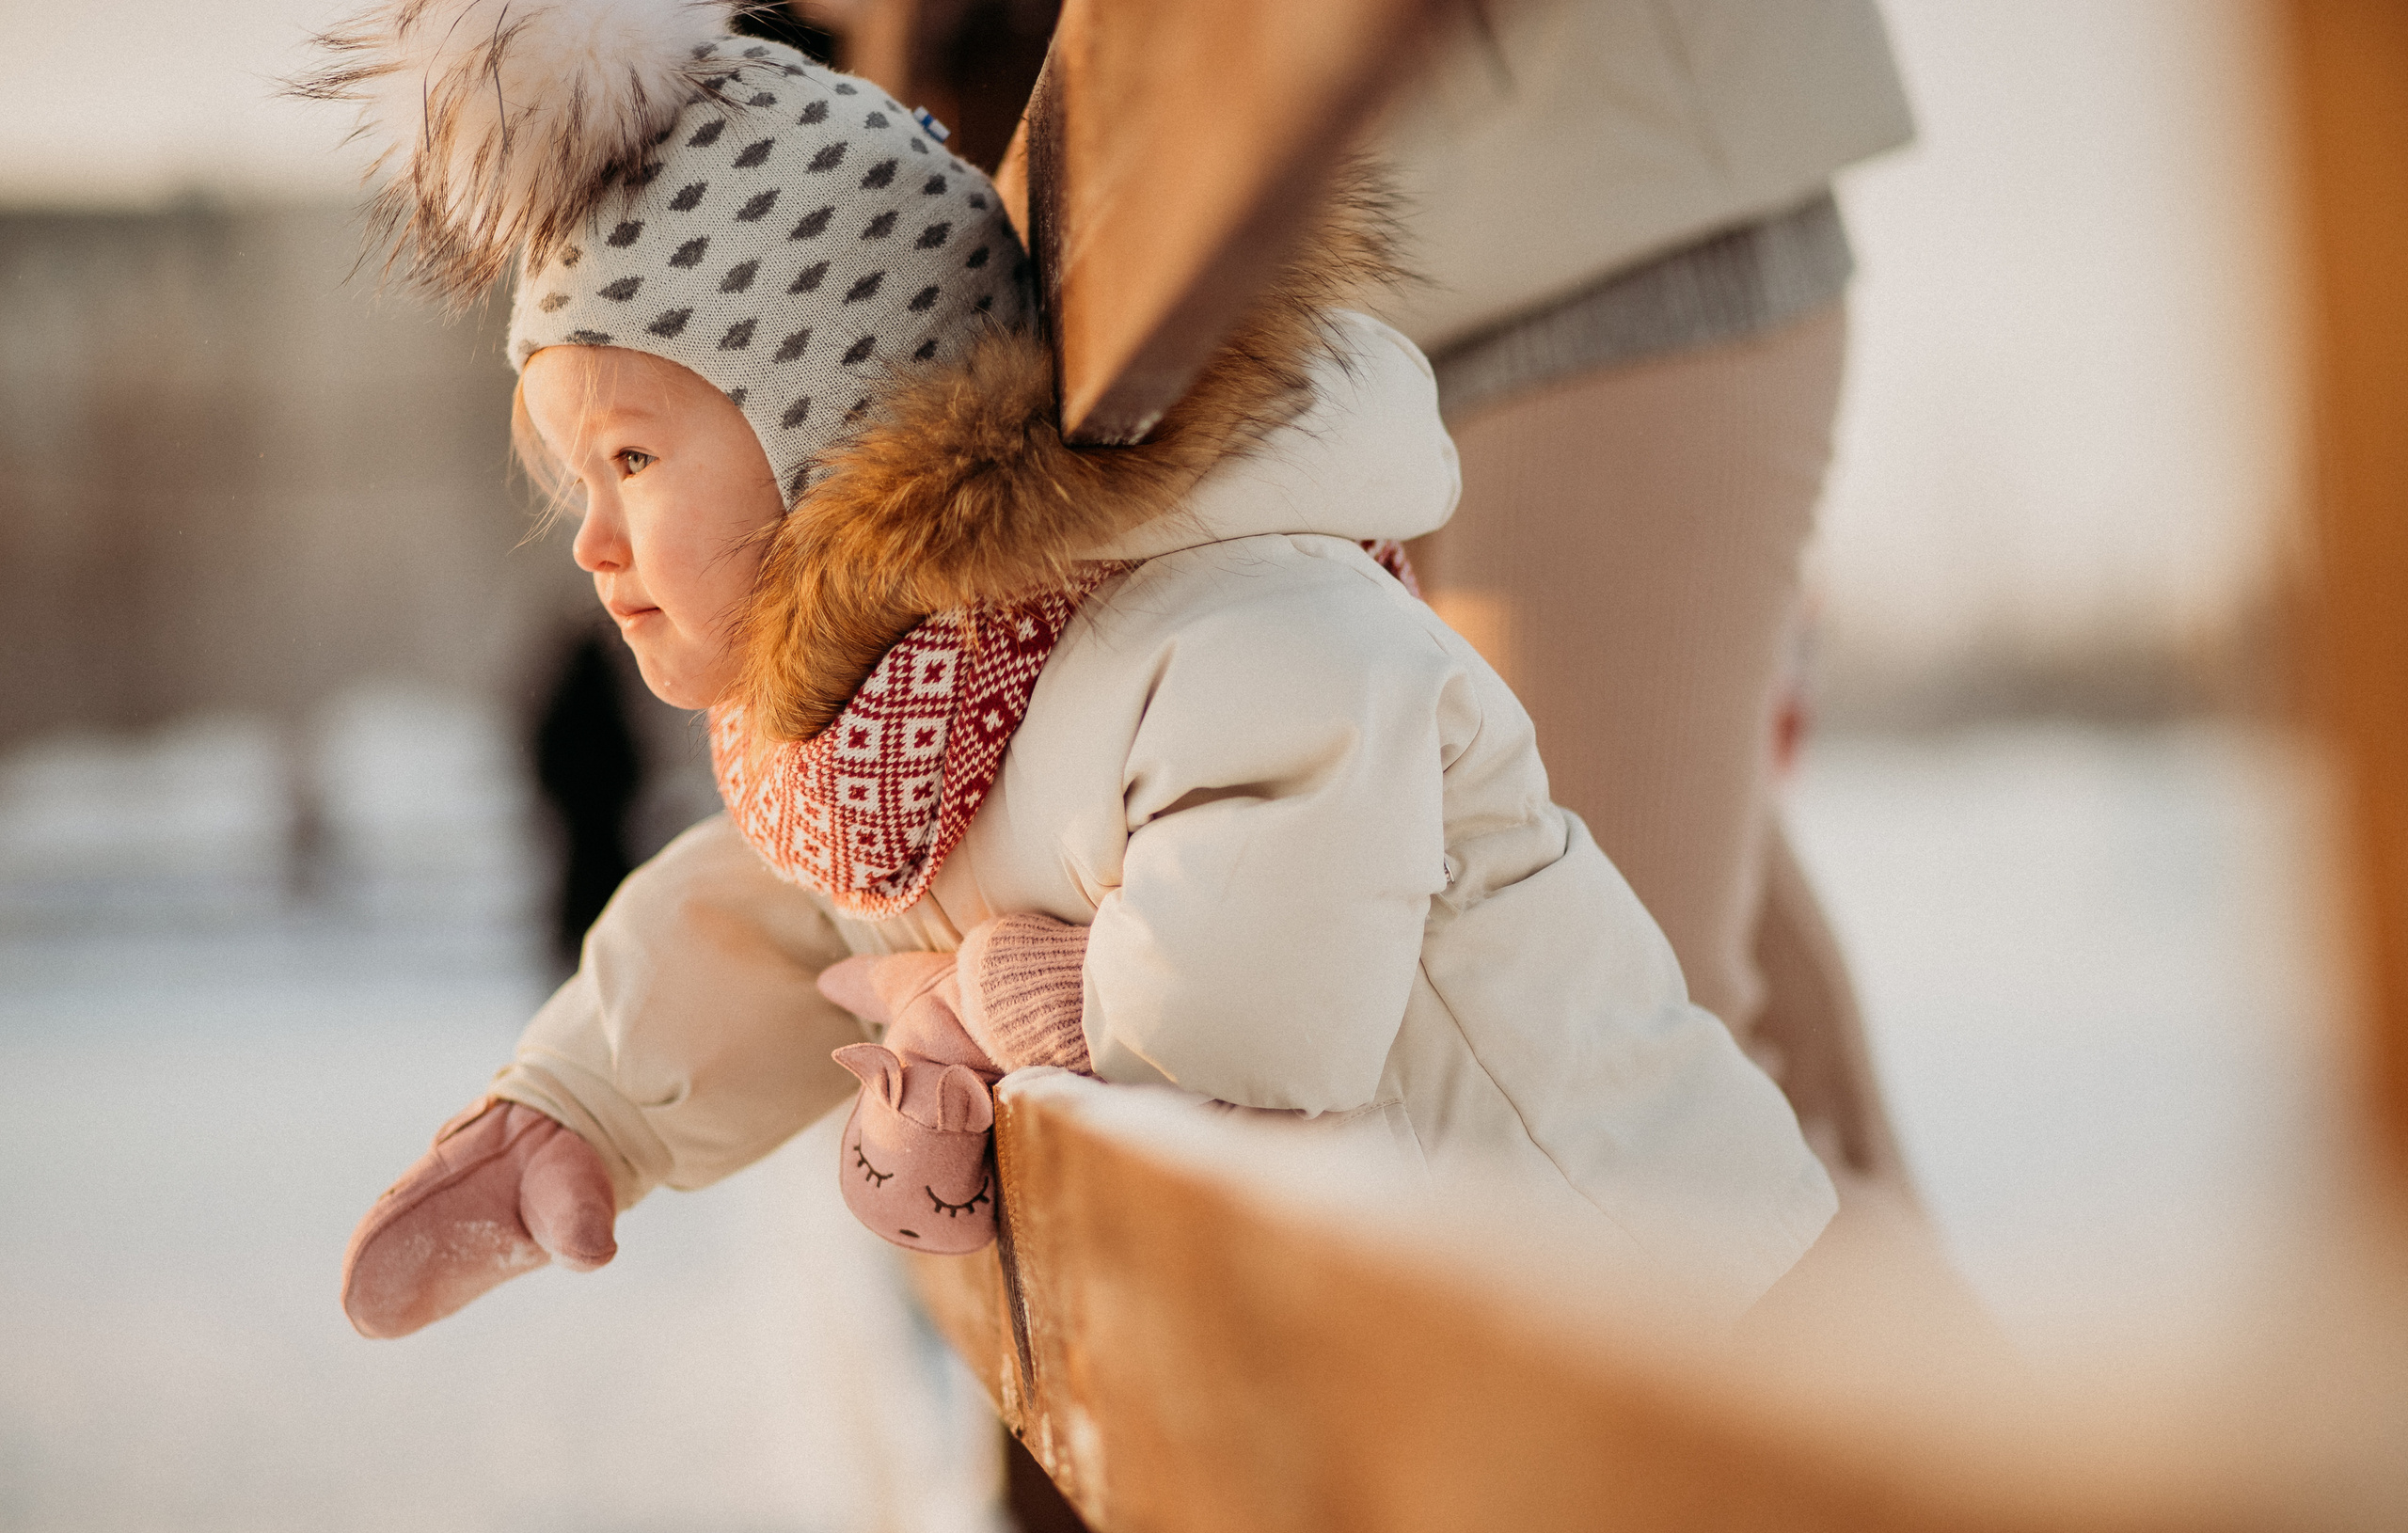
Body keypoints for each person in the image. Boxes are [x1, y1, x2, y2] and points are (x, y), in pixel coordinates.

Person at [307, 0, 1836, 1342]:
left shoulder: (1225, 624)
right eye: (583, 477)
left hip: (1684, 1311)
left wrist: (1010, 989)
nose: (594, 542)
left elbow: (1264, 974)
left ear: (826, 437)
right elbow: (776, 916)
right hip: (1493, 1343)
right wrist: (580, 1107)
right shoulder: (926, 719)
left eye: (633, 459)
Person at [1376, 0, 1923, 1191]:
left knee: (1628, 1084)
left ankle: (1880, 1375)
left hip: (1605, 234)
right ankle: (1921, 1372)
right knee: (1713, 1061)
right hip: (1385, 320)